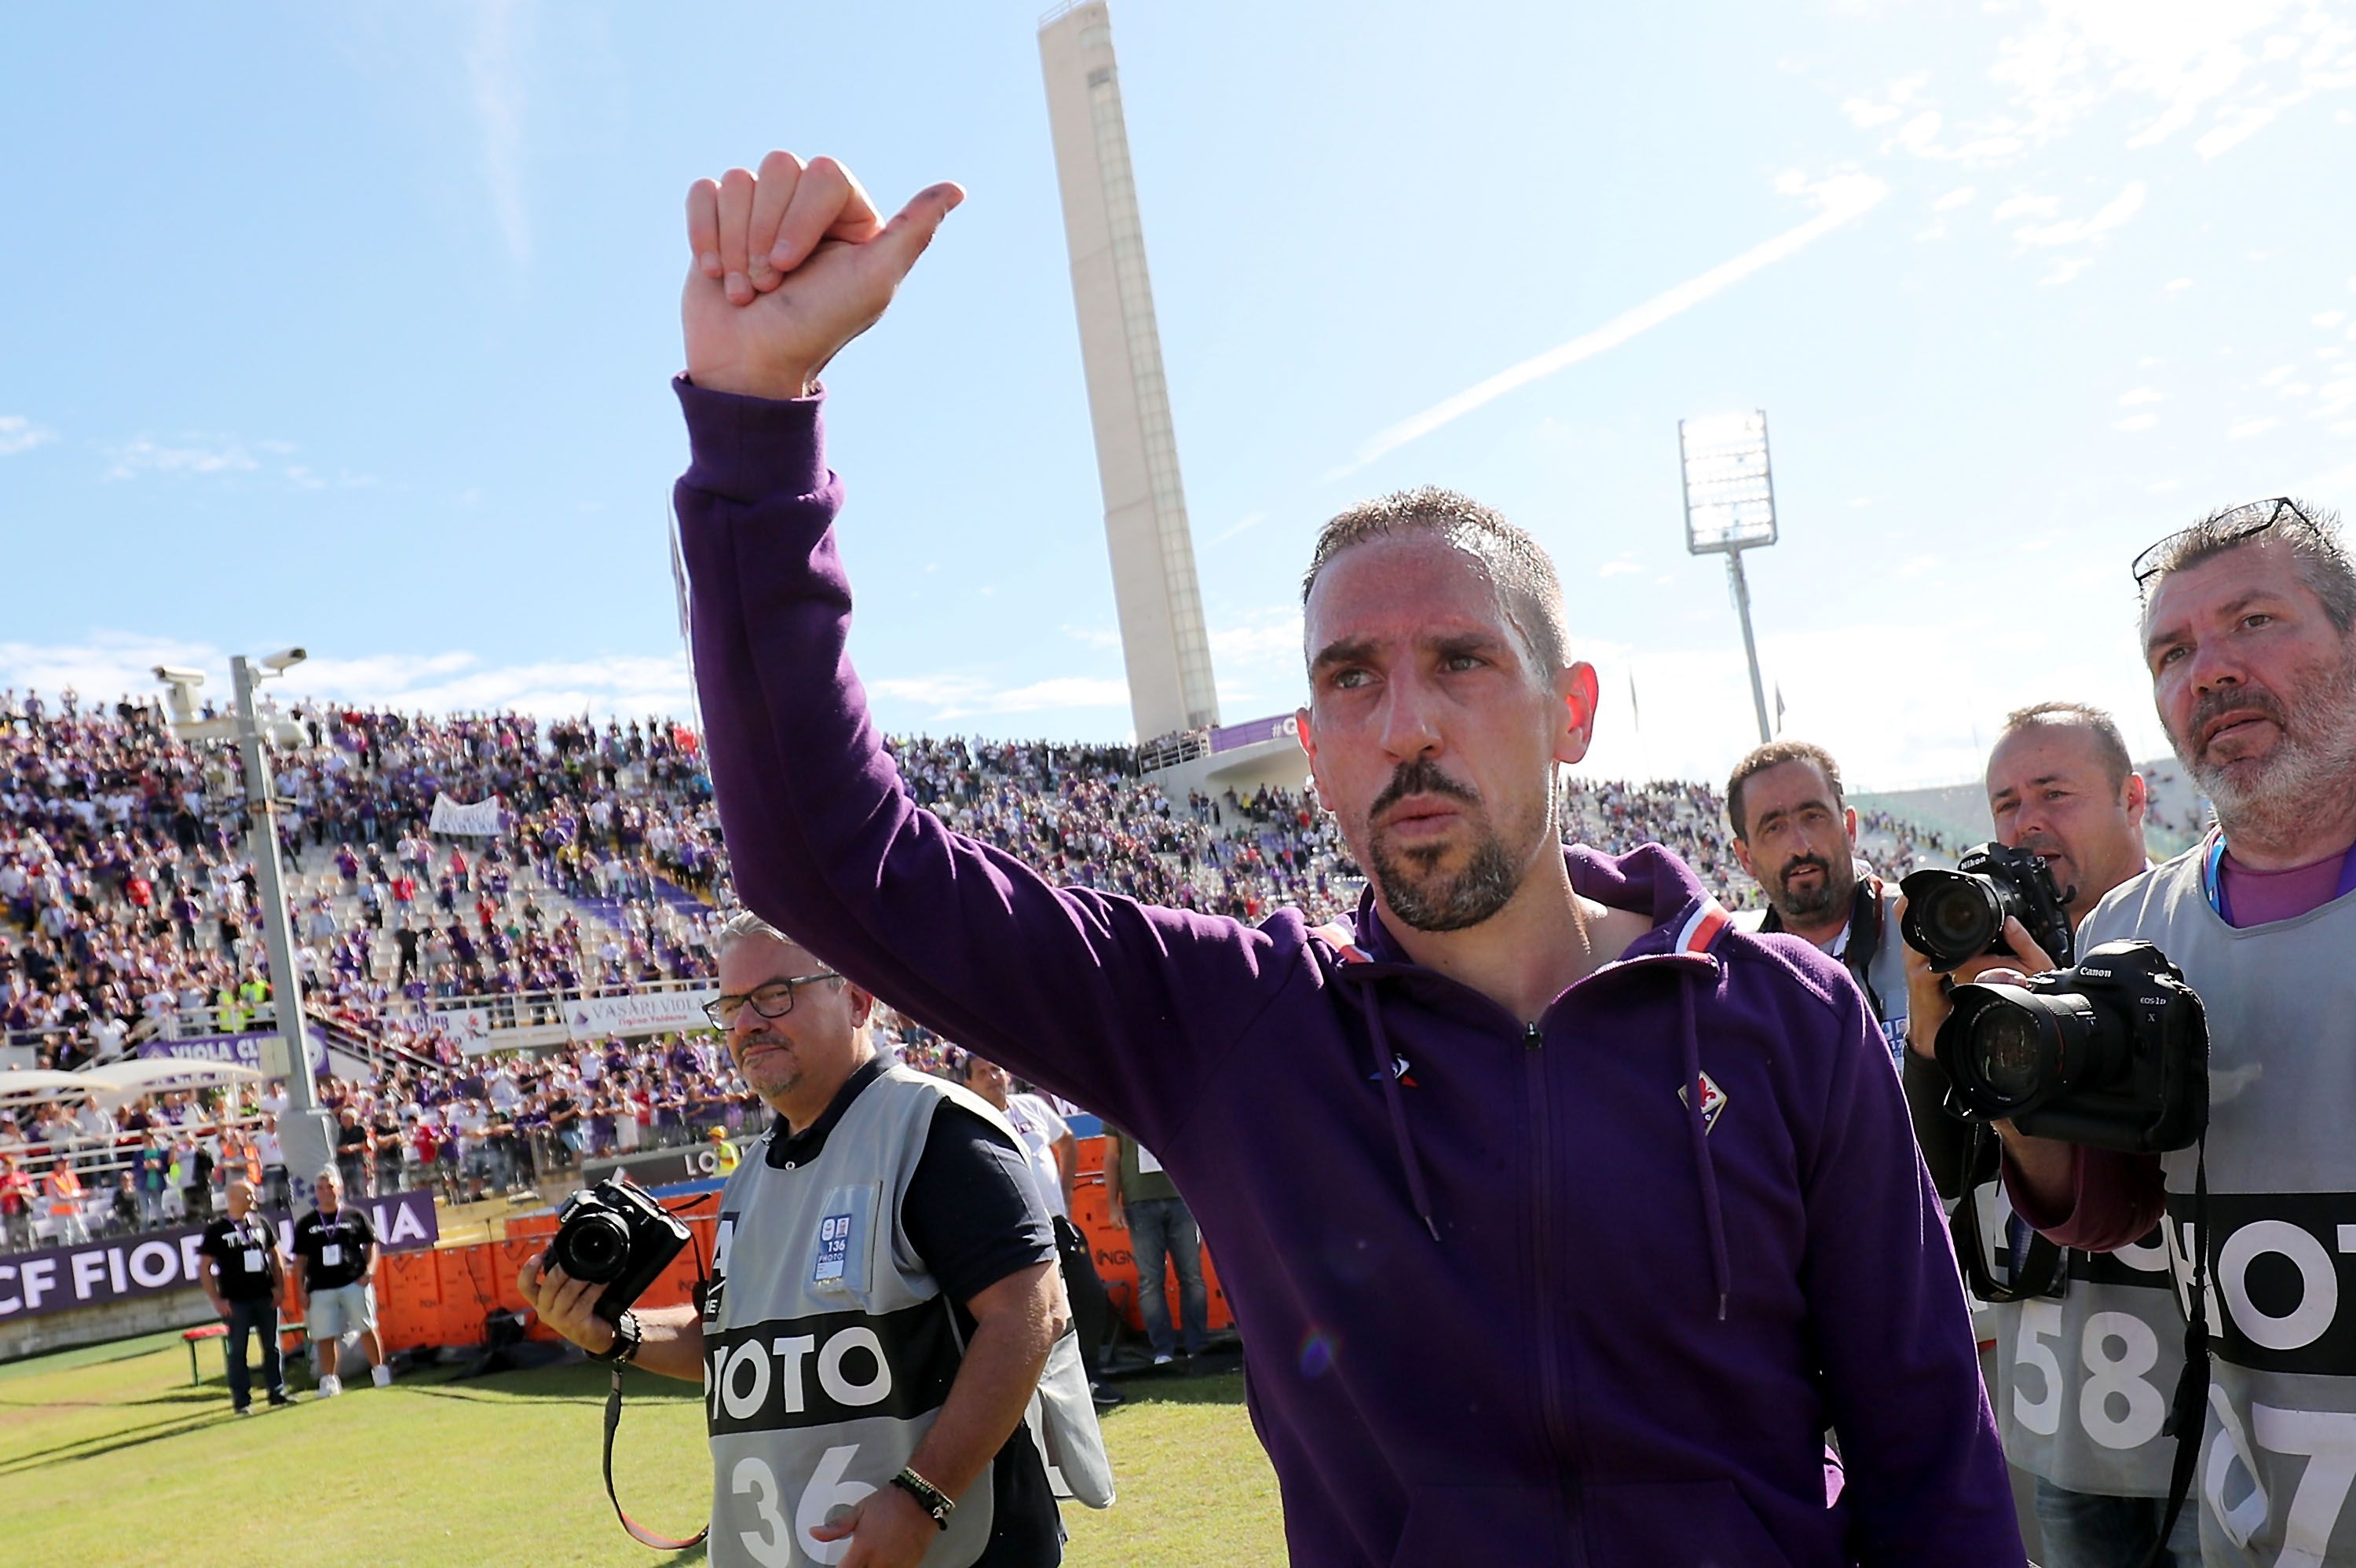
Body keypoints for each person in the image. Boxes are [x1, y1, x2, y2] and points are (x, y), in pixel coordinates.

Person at [665, 148, 2020, 1563]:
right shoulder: (1240, 1023)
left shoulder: (1788, 1017)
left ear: (1572, 713)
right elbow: (826, 856)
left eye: (1460, 661)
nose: (1408, 723)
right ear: (1311, 748)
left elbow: (1932, 1458)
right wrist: (758, 421)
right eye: (1353, 680)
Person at [1970, 500, 2356, 1566]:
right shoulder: (2126, 932)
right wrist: (2007, 1074)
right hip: (2242, 1526)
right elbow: (2110, 1210)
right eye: (2173, 651)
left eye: (2256, 621)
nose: (2211, 670)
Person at [521, 914, 1072, 1566]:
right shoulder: (753, 1171)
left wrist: (924, 1495)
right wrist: (618, 1332)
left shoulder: (937, 1130)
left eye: (776, 994)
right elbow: (738, 1346)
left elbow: (1031, 1314)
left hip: (958, 1549)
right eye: (731, 1005)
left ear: (858, 999)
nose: (748, 1022)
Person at [1901, 702, 2190, 1566]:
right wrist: (1936, 1036)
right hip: (2063, 1412)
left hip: (2207, 1411)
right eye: (2005, 802)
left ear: (2134, 799)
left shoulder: (2189, 934)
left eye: (2055, 791)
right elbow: (1936, 1188)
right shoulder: (1980, 966)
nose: (2026, 822)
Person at [1725, 740, 1910, 1066]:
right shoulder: (1735, 984)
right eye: (1774, 827)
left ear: (1849, 827)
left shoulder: (1921, 925)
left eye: (1813, 817)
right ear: (1745, 857)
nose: (1800, 846)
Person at [1101, 1125, 1205, 1368]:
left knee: (1192, 1276)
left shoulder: (1171, 1099)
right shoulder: (1115, 1100)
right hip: (1139, 1203)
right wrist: (1113, 1205)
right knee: (1151, 1279)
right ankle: (1163, 1350)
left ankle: (1196, 1346)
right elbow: (1112, 1155)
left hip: (1183, 1198)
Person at [291, 1166, 390, 1395]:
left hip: (353, 1281)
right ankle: (330, 1380)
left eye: (330, 1187)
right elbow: (300, 1260)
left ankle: (380, 1370)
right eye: (321, 1188)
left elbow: (372, 1244)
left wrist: (369, 1271)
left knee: (367, 1326)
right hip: (320, 1287)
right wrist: (301, 1290)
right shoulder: (306, 1223)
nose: (326, 1192)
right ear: (316, 1191)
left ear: (340, 1189)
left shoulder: (354, 1216)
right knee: (325, 1335)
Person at [196, 1178, 292, 1414]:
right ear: (233, 1199)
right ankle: (242, 1400)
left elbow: (275, 1255)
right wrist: (217, 1300)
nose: (253, 1199)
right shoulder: (217, 1230)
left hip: (264, 1295)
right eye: (248, 1195)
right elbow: (204, 1268)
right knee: (238, 1350)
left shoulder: (260, 1222)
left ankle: (277, 1392)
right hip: (236, 1300)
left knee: (272, 1347)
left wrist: (280, 1287)